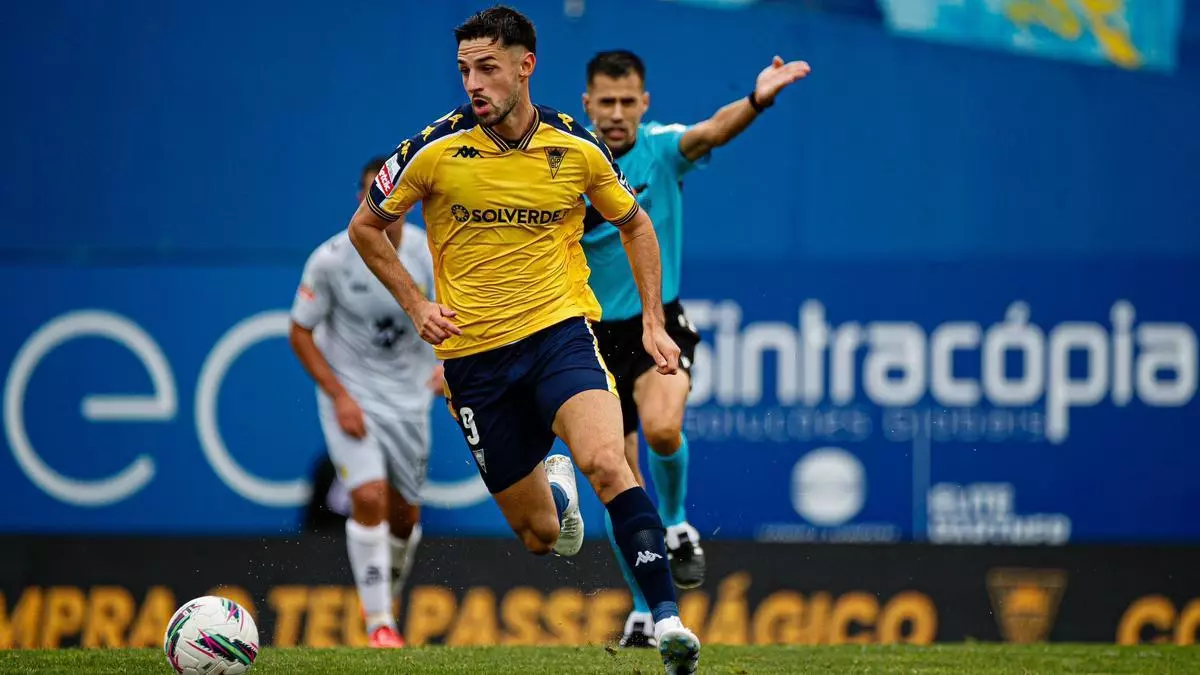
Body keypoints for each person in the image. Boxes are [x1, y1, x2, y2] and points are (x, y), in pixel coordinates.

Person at [346, 6, 701, 673]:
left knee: (610, 463)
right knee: (541, 537)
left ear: (525, 66)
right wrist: (416, 303)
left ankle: (668, 623)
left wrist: (653, 320)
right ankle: (554, 495)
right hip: (475, 362)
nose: (473, 83)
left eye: (486, 68)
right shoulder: (432, 148)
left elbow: (637, 224)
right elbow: (364, 228)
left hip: (559, 335)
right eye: (464, 70)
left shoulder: (576, 147)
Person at [580, 49, 810, 647]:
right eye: (606, 102)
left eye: (627, 101)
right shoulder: (570, 163)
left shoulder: (660, 150)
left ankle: (678, 525)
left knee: (662, 430)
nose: (616, 113)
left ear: (644, 103)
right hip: (592, 337)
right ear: (587, 104)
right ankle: (644, 613)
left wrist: (757, 99)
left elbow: (713, 130)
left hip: (658, 323)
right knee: (621, 479)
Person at [289, 156, 443, 648]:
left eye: (392, 195)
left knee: (405, 517)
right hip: (353, 397)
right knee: (369, 496)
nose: (380, 202)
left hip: (409, 401)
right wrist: (339, 396)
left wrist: (449, 366)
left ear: (408, 203)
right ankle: (380, 623)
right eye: (370, 192)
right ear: (361, 198)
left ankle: (383, 602)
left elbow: (461, 313)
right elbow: (300, 331)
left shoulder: (430, 253)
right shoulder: (331, 259)